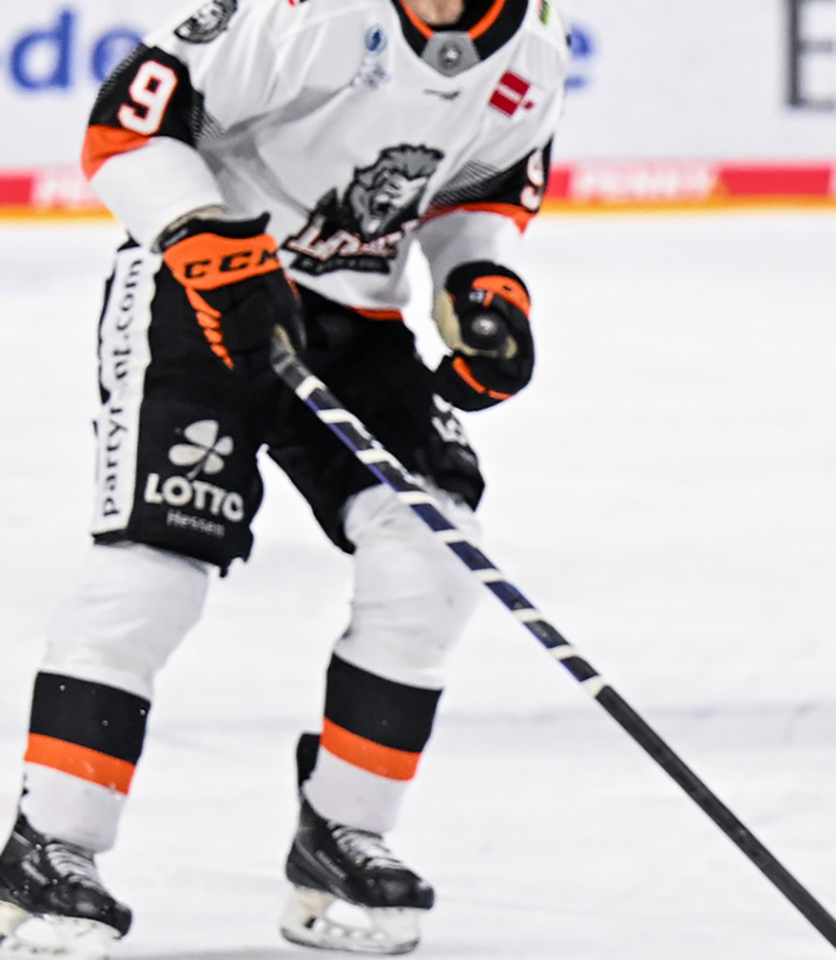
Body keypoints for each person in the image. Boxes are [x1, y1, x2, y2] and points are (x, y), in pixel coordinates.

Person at [0, 0, 566, 953]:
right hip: (199, 293)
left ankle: (342, 836)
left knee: (432, 556)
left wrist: (482, 284)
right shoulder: (306, 14)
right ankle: (47, 849)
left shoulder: (534, 59)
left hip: (356, 320)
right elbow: (127, 124)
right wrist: (203, 232)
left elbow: (483, 190)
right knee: (156, 566)